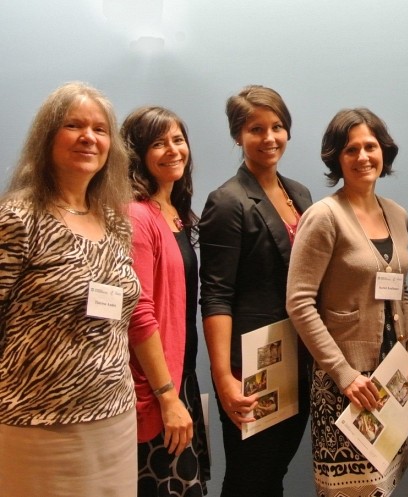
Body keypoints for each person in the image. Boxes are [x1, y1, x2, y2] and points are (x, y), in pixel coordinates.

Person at [0, 82, 140, 496]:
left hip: (114, 418)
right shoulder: (19, 219)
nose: (88, 138)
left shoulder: (115, 225)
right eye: (73, 125)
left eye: (99, 129)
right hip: (39, 425)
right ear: (47, 137)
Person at [286, 108, 408, 496]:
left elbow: (399, 289)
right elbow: (299, 303)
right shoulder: (323, 217)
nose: (363, 156)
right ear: (336, 157)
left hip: (391, 379)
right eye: (351, 149)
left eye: (371, 146)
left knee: (387, 483)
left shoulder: (397, 215)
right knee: (352, 490)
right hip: (346, 384)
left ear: (384, 151)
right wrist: (344, 375)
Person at [199, 85, 312, 497]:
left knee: (274, 472)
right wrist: (223, 377)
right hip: (253, 369)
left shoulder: (299, 194)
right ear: (237, 136)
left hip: (298, 362)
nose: (269, 138)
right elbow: (215, 295)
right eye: (255, 129)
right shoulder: (227, 202)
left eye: (277, 127)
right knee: (250, 478)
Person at [122, 106, 210, 496]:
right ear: (138, 154)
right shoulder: (137, 215)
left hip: (180, 378)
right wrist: (166, 397)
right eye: (158, 143)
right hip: (154, 392)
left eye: (177, 140)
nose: (173, 150)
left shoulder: (176, 212)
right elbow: (138, 313)